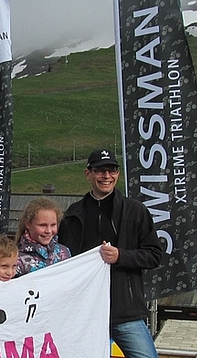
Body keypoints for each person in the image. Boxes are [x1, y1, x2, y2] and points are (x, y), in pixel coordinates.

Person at [58, 148, 163, 358]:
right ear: (88, 174)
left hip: (125, 312)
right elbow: (63, 260)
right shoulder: (73, 213)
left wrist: (121, 256)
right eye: (100, 171)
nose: (106, 176)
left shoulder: (136, 211)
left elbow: (154, 255)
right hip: (84, 313)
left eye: (111, 170)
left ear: (118, 174)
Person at [15, 197, 71, 276]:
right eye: (42, 225)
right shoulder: (15, 258)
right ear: (28, 224)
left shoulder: (64, 252)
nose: (48, 231)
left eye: (53, 225)